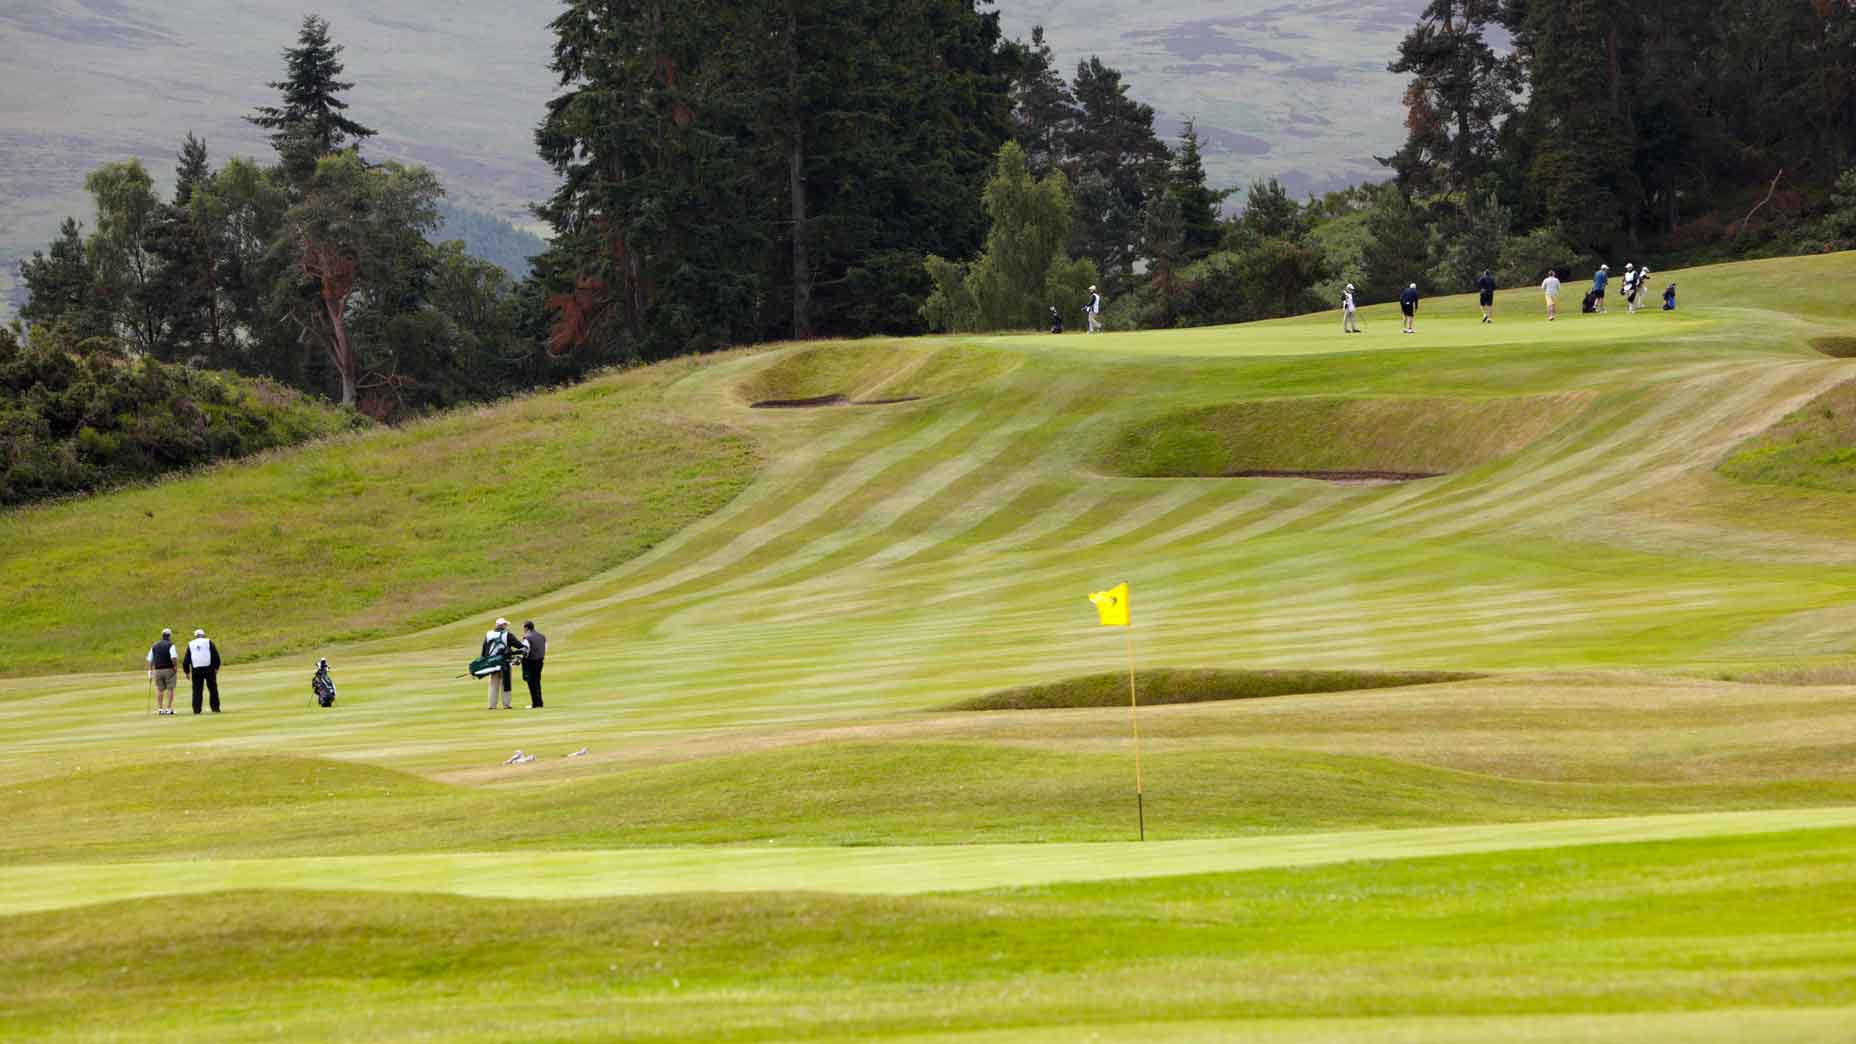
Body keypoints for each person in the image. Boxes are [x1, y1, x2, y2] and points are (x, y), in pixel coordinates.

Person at [482, 618, 523, 710]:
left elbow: (484, 650)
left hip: (492, 663)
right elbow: (519, 645)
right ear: (503, 625)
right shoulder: (507, 634)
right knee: (506, 684)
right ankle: (506, 704)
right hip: (505, 663)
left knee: (493, 684)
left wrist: (485, 663)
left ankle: (492, 705)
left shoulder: (488, 634)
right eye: (506, 625)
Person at [182, 627, 222, 714]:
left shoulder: (191, 644)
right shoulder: (208, 641)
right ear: (203, 635)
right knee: (213, 689)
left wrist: (187, 671)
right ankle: (215, 708)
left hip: (196, 670)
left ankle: (196, 710)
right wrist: (216, 667)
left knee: (197, 690)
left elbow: (186, 660)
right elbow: (215, 655)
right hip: (209, 669)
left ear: (195, 636)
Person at [145, 628, 180, 715]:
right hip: (169, 670)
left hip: (158, 670)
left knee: (159, 689)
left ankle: (160, 709)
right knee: (170, 688)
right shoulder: (171, 645)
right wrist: (175, 666)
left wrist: (150, 672)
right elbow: (173, 657)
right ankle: (168, 709)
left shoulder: (154, 645)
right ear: (170, 636)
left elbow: (150, 659)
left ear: (162, 635)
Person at [520, 620, 547, 709]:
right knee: (537, 682)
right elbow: (545, 648)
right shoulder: (542, 636)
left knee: (531, 683)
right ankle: (539, 702)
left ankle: (536, 703)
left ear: (526, 628)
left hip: (530, 662)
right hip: (540, 661)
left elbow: (525, 651)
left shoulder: (527, 638)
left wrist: (521, 659)